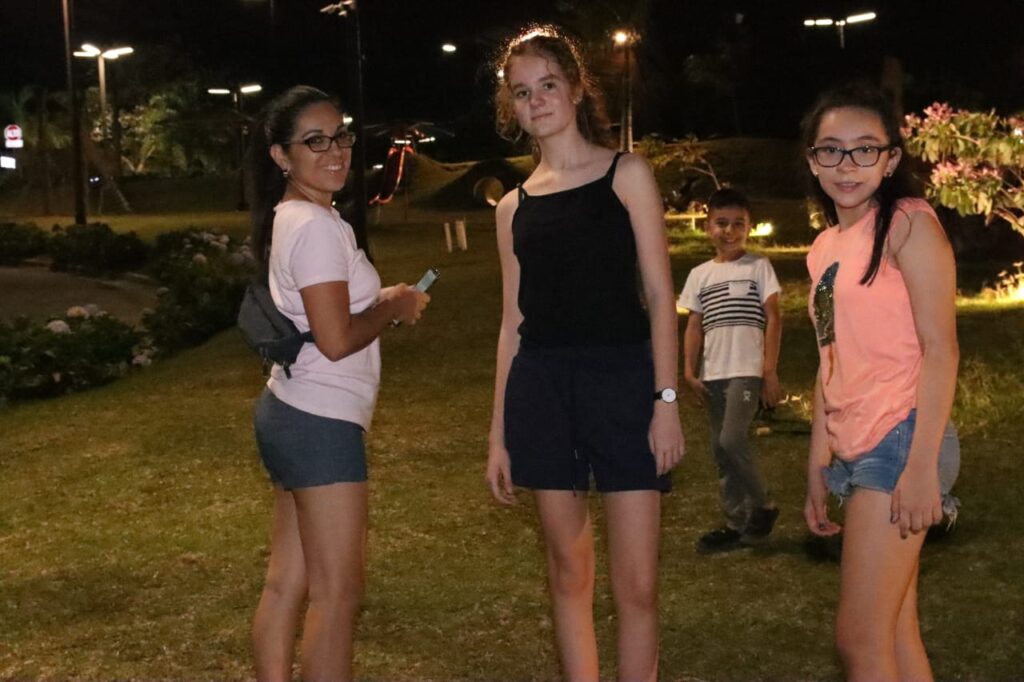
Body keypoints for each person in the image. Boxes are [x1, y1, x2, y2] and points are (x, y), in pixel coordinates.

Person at [485, 26, 685, 682]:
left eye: (547, 84)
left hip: (623, 384)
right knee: (569, 574)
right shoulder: (511, 207)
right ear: (511, 108)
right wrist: (499, 434)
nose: (537, 100)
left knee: (637, 585)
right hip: (542, 391)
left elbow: (660, 294)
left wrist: (665, 401)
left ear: (575, 88)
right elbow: (512, 322)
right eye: (522, 92)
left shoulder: (626, 175)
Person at [246, 85, 429, 682]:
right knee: (338, 593)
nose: (335, 151)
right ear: (281, 156)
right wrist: (393, 308)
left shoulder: (298, 216)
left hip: (291, 409)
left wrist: (381, 298)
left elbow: (321, 314)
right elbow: (335, 338)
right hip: (319, 422)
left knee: (287, 583)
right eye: (315, 141)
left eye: (341, 136)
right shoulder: (316, 227)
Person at [802, 82, 960, 681]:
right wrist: (818, 462)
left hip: (902, 439)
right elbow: (830, 358)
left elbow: (941, 349)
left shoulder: (908, 223)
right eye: (831, 150)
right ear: (813, 160)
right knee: (894, 633)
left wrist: (921, 470)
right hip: (854, 443)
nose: (847, 164)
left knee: (859, 641)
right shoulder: (825, 247)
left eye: (865, 148)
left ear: (891, 159)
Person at [678, 187, 782, 554]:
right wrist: (689, 370)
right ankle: (736, 524)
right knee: (720, 451)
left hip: (746, 371)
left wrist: (769, 371)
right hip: (714, 374)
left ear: (749, 227)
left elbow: (774, 319)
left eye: (739, 224)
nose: (730, 231)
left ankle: (764, 504)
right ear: (708, 227)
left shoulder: (758, 267)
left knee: (732, 440)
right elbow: (694, 325)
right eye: (721, 223)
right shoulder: (700, 275)